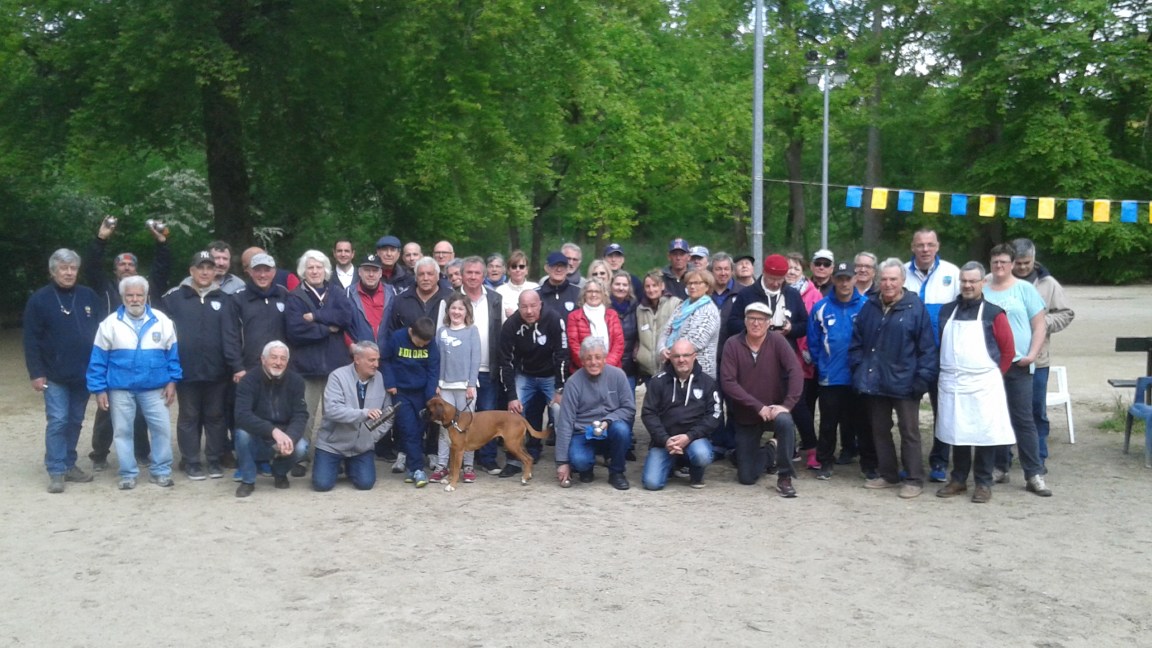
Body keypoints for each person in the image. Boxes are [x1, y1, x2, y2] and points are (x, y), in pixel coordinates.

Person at [850, 258, 939, 499]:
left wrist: (921, 379)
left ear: (902, 281)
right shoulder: (869, 307)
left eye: (893, 279)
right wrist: (858, 367)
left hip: (906, 382)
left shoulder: (915, 307)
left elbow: (927, 348)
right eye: (884, 279)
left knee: (909, 431)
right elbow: (857, 342)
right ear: (879, 281)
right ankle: (888, 474)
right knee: (879, 429)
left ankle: (913, 478)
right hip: (875, 380)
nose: (888, 284)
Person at [85, 218, 168, 469]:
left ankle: (142, 452)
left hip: (144, 357)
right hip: (114, 358)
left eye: (131, 264)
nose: (127, 267)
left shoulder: (147, 290)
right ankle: (99, 454)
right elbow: (90, 267)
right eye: (121, 264)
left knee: (142, 408)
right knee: (107, 410)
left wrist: (162, 242)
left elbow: (163, 267)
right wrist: (101, 238)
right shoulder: (107, 290)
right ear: (115, 271)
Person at [86, 275, 182, 490]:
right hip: (120, 388)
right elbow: (98, 360)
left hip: (155, 387)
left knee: (162, 429)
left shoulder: (162, 321)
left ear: (147, 296)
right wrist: (99, 389)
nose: (135, 299)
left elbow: (173, 355)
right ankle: (128, 473)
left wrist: (173, 381)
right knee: (122, 432)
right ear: (122, 297)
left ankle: (161, 471)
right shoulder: (109, 324)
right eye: (130, 295)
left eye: (140, 294)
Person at [934, 262, 1017, 503]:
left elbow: (1008, 351)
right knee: (956, 431)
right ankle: (958, 479)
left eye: (973, 281)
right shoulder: (946, 311)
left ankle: (983, 482)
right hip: (953, 381)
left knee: (983, 434)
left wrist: (993, 376)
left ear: (983, 283)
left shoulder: (994, 313)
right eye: (964, 281)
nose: (968, 285)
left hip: (984, 383)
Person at [23, 249, 104, 493]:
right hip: (54, 374)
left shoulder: (89, 296)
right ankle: (56, 470)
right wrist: (36, 373)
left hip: (84, 373)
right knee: (58, 420)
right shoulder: (39, 299)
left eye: (73, 268)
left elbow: (102, 333)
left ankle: (69, 464)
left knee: (76, 421)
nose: (69, 273)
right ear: (53, 271)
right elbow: (31, 339)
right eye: (63, 268)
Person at [983, 244, 1052, 497]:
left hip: (1018, 364)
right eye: (995, 262)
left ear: (1012, 264)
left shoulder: (1024, 290)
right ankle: (999, 467)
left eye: (1003, 262)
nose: (999, 267)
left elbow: (1039, 325)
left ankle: (1034, 472)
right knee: (994, 418)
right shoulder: (984, 289)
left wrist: (1032, 354)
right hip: (990, 366)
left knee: (1024, 419)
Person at [720, 302, 802, 498]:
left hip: (775, 409)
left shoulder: (778, 342)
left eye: (761, 320)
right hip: (747, 413)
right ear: (745, 321)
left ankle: (785, 477)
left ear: (768, 323)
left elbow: (795, 371)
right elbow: (728, 382)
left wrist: (787, 405)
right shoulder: (732, 344)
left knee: (785, 421)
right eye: (752, 319)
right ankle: (771, 449)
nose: (756, 323)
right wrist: (757, 406)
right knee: (746, 477)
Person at [285, 250, 355, 476]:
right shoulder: (295, 296)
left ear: (325, 270)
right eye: (310, 268)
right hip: (306, 367)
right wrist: (328, 329)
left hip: (336, 366)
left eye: (318, 267)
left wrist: (315, 318)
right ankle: (301, 456)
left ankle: (334, 455)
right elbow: (295, 331)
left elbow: (346, 317)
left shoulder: (336, 292)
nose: (314, 271)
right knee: (304, 414)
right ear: (303, 271)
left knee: (335, 414)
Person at [161, 251, 230, 480]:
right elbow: (163, 334)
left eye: (209, 268)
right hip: (186, 370)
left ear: (215, 271)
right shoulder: (174, 298)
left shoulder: (224, 298)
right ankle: (191, 461)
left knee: (215, 416)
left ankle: (213, 459)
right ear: (191, 271)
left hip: (217, 371)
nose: (205, 272)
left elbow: (231, 336)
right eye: (200, 267)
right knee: (188, 416)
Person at [1012, 238, 1075, 469]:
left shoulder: (1048, 284)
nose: (1021, 268)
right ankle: (1004, 458)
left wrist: (1042, 322)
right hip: (1004, 358)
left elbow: (1067, 313)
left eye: (1026, 263)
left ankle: (1038, 457)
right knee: (1005, 408)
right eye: (1017, 263)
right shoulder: (997, 280)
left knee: (1036, 409)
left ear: (1034, 258)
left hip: (1038, 360)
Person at [904, 228, 960, 482]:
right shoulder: (900, 273)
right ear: (912, 247)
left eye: (930, 244)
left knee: (943, 411)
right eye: (920, 245)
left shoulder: (953, 273)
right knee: (908, 414)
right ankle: (910, 463)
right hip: (909, 357)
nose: (925, 249)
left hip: (942, 356)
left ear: (938, 246)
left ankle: (939, 461)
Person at [807, 262, 871, 480]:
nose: (844, 283)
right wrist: (822, 365)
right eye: (840, 278)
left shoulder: (866, 306)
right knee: (828, 423)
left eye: (848, 278)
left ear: (855, 279)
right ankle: (825, 462)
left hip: (858, 376)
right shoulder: (821, 308)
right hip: (831, 377)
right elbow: (813, 342)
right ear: (834, 280)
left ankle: (869, 464)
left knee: (863, 423)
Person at [499, 290, 568, 478]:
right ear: (518, 307)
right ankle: (514, 460)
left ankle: (564, 461)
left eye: (532, 306)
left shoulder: (554, 319)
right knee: (513, 412)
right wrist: (512, 396)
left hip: (550, 376)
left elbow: (562, 355)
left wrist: (560, 388)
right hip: (525, 375)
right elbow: (506, 362)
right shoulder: (511, 324)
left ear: (540, 304)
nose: (529, 311)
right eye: (524, 307)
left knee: (560, 411)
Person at [554, 338, 636, 490]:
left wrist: (609, 420)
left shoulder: (618, 376)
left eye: (598, 357)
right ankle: (586, 468)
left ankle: (617, 472)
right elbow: (565, 422)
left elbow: (629, 408)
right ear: (582, 361)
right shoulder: (573, 383)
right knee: (579, 461)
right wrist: (562, 462)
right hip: (583, 432)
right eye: (588, 358)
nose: (593, 362)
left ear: (605, 358)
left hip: (610, 427)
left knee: (622, 430)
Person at [641, 339, 721, 490]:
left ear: (694, 356)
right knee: (652, 484)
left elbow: (714, 415)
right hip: (664, 441)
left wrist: (689, 436)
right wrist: (665, 439)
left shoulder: (708, 383)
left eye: (686, 355)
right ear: (670, 357)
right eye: (676, 356)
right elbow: (648, 413)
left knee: (702, 455)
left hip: (694, 439)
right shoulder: (657, 382)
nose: (681, 360)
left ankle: (696, 472)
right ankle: (671, 462)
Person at [233, 341, 310, 497]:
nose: (278, 362)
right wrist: (272, 431)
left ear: (287, 362)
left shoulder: (296, 381)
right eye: (273, 357)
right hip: (257, 434)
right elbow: (241, 415)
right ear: (263, 359)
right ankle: (248, 480)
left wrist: (291, 437)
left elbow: (300, 414)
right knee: (241, 435)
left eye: (283, 359)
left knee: (301, 446)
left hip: (284, 434)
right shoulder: (248, 380)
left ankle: (279, 472)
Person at [313, 340, 391, 492]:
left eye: (377, 360)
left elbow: (388, 413)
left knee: (365, 484)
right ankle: (335, 464)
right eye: (371, 360)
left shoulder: (381, 378)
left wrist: (372, 437)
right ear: (357, 359)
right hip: (332, 445)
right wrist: (364, 413)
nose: (376, 364)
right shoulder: (337, 376)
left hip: (362, 448)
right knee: (322, 485)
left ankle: (349, 466)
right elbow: (332, 410)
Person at [456, 257, 506, 474]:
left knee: (487, 415)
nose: (473, 277)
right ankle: (460, 457)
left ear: (484, 275)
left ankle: (487, 458)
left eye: (477, 273)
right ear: (462, 274)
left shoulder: (495, 299)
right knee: (461, 415)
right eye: (469, 272)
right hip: (459, 371)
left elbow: (501, 331)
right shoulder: (452, 298)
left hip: (488, 367)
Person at [382, 316, 439, 487]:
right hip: (401, 392)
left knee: (420, 429)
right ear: (411, 332)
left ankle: (411, 470)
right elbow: (385, 360)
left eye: (426, 343)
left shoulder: (430, 343)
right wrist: (390, 382)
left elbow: (433, 368)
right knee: (408, 429)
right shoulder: (397, 338)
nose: (423, 346)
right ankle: (418, 469)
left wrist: (430, 396)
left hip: (422, 394)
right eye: (420, 342)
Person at [431, 294, 481, 484]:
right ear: (448, 310)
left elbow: (475, 358)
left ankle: (467, 466)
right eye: (453, 308)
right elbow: (437, 359)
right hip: (445, 386)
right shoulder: (442, 331)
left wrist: (471, 383)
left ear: (467, 311)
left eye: (461, 308)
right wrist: (437, 382)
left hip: (465, 387)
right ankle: (442, 465)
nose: (456, 312)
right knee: (445, 429)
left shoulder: (471, 331)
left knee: (467, 426)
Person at [657, 268, 720, 379]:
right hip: (674, 368)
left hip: (699, 373)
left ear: (707, 286)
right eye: (689, 283)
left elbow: (697, 341)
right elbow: (666, 331)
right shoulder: (681, 307)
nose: (692, 286)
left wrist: (672, 353)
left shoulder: (709, 310)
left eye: (697, 283)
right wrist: (662, 349)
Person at [567, 278, 624, 370]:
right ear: (584, 294)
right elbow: (574, 346)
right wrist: (591, 366)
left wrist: (605, 366)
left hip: (611, 370)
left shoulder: (612, 315)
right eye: (590, 291)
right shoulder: (574, 317)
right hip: (584, 371)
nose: (593, 294)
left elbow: (618, 344)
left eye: (597, 291)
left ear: (603, 294)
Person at [636, 270, 682, 382]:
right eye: (647, 286)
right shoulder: (640, 309)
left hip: (668, 366)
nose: (651, 290)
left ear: (662, 286)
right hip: (647, 370)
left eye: (655, 285)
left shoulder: (675, 303)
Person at [346, 253, 397, 347]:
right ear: (359, 272)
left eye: (375, 271)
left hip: (388, 353)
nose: (371, 274)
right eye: (367, 270)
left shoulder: (392, 293)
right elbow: (342, 326)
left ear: (381, 273)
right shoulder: (348, 294)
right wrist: (351, 346)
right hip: (360, 354)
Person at [608, 270, 640, 392]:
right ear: (611, 286)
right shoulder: (604, 307)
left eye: (624, 285)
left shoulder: (636, 307)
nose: (621, 288)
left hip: (629, 367)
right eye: (617, 284)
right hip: (609, 365)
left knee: (628, 405)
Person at [495, 249, 539, 318]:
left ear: (526, 270)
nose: (518, 270)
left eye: (521, 267)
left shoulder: (535, 288)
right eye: (514, 267)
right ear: (508, 271)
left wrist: (515, 315)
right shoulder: (500, 291)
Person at [537, 250, 581, 319]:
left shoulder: (578, 293)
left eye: (562, 266)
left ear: (567, 269)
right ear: (546, 268)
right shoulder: (536, 294)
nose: (559, 269)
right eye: (555, 265)